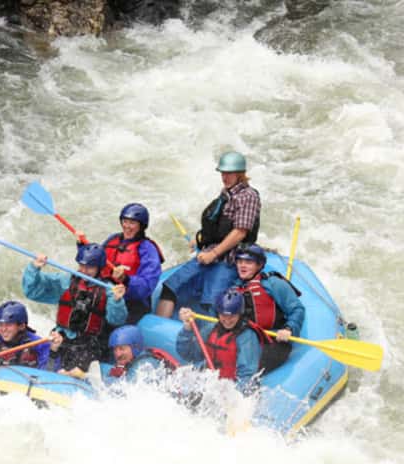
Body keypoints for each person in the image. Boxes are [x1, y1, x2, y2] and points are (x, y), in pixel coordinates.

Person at [156, 151, 261, 318]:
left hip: (229, 260)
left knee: (212, 304)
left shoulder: (248, 196)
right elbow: (217, 226)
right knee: (170, 288)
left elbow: (240, 231)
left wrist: (214, 253)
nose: (224, 177)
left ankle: (210, 331)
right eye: (223, 173)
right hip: (210, 253)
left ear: (240, 174)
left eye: (229, 173)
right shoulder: (226, 194)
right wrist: (200, 241)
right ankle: (159, 327)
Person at [22, 242, 127, 376]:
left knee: (76, 368)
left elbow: (117, 319)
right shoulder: (66, 281)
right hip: (61, 336)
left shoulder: (108, 290)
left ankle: (73, 375)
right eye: (81, 266)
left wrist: (117, 301)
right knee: (48, 363)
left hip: (88, 344)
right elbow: (32, 291)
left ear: (99, 268)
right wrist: (34, 268)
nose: (84, 271)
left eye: (89, 268)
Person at [232, 243, 305, 369]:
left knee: (252, 363)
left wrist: (288, 329)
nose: (242, 265)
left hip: (274, 339)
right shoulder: (234, 288)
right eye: (240, 261)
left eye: (248, 262)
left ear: (259, 265)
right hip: (247, 340)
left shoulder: (274, 284)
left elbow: (297, 309)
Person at [176, 288, 262, 393]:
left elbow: (247, 375)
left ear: (240, 314)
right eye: (224, 315)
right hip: (211, 384)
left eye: (232, 316)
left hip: (232, 388)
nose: (227, 320)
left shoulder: (247, 336)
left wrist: (231, 395)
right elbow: (188, 354)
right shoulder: (211, 329)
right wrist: (187, 329)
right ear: (218, 313)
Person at [100, 203, 165, 324]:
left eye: (132, 223)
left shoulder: (147, 249)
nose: (127, 226)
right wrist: (81, 245)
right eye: (125, 221)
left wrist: (126, 279)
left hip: (132, 303)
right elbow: (94, 261)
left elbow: (147, 286)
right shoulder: (113, 239)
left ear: (141, 226)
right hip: (107, 295)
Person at [0, 301, 51, 371]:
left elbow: (49, 368)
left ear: (22, 326)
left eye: (8, 325)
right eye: (0, 325)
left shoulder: (37, 343)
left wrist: (54, 350)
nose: (3, 329)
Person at [105, 325, 180, 381]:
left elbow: (130, 391)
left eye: (122, 349)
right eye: (115, 349)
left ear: (135, 347)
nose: (118, 354)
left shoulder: (145, 365)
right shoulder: (132, 360)